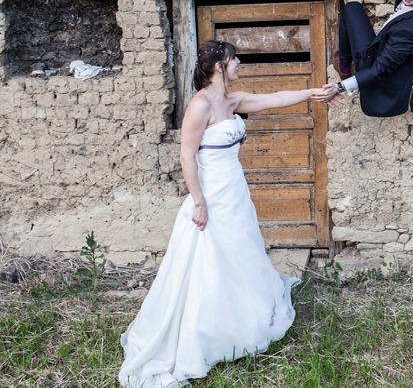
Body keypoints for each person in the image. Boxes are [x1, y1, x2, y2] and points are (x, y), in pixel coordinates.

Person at [118, 40, 336, 387]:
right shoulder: (200, 106)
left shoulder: (232, 101)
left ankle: (244, 318)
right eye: (235, 60)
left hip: (235, 193)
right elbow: (186, 157)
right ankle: (207, 333)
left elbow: (275, 98)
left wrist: (312, 92)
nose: (239, 65)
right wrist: (199, 202)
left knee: (240, 254)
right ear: (220, 66)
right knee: (210, 262)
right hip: (211, 197)